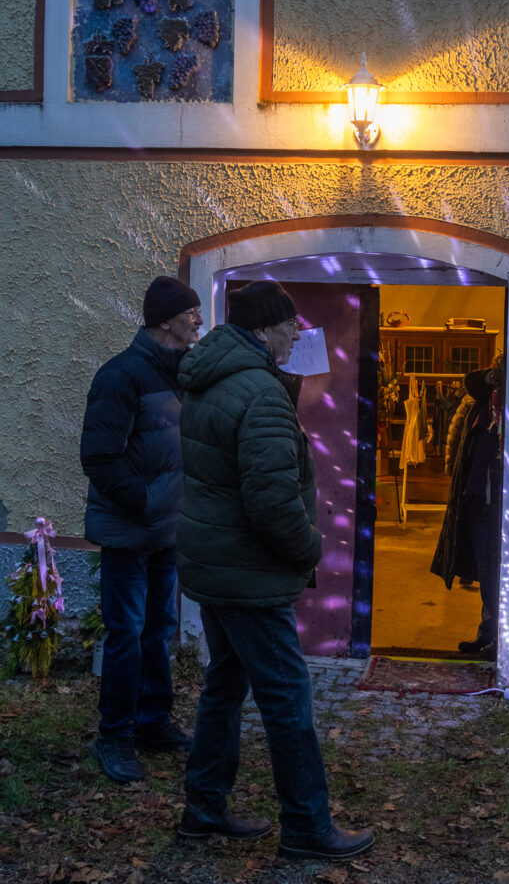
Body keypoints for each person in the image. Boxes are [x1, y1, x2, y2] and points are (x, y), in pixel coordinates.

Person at [175, 280, 374, 860]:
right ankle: (308, 826)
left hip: (220, 565)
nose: (297, 335)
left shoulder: (213, 380)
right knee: (287, 697)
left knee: (225, 686)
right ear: (264, 328)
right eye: (291, 325)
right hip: (249, 574)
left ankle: (204, 807)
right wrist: (310, 548)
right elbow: (270, 500)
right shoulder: (259, 392)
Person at [81, 275, 203, 783]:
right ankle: (115, 736)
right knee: (126, 634)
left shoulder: (181, 375)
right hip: (129, 532)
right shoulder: (121, 375)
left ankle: (154, 722)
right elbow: (99, 456)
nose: (198, 318)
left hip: (165, 532)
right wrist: (148, 503)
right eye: (189, 311)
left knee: (159, 632)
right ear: (163, 320)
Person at [431, 360, 504, 660]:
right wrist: (494, 375)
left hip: (498, 505)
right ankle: (487, 635)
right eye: (494, 386)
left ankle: (497, 639)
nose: (496, 392)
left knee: (497, 576)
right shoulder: (482, 408)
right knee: (487, 575)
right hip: (477, 503)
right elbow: (471, 382)